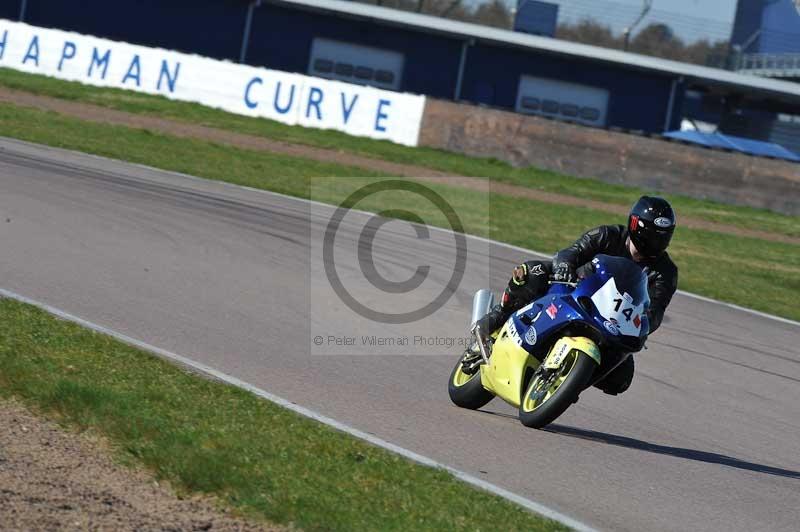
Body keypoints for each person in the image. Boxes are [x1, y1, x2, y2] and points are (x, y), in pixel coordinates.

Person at [475, 196, 679, 395]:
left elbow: (656, 308)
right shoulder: (607, 235)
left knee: (621, 378)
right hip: (575, 289)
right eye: (654, 234)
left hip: (613, 322)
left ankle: (567, 384)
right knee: (532, 271)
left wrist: (646, 324)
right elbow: (571, 252)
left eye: (664, 235)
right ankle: (496, 316)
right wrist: (564, 266)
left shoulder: (665, 272)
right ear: (637, 226)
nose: (658, 241)